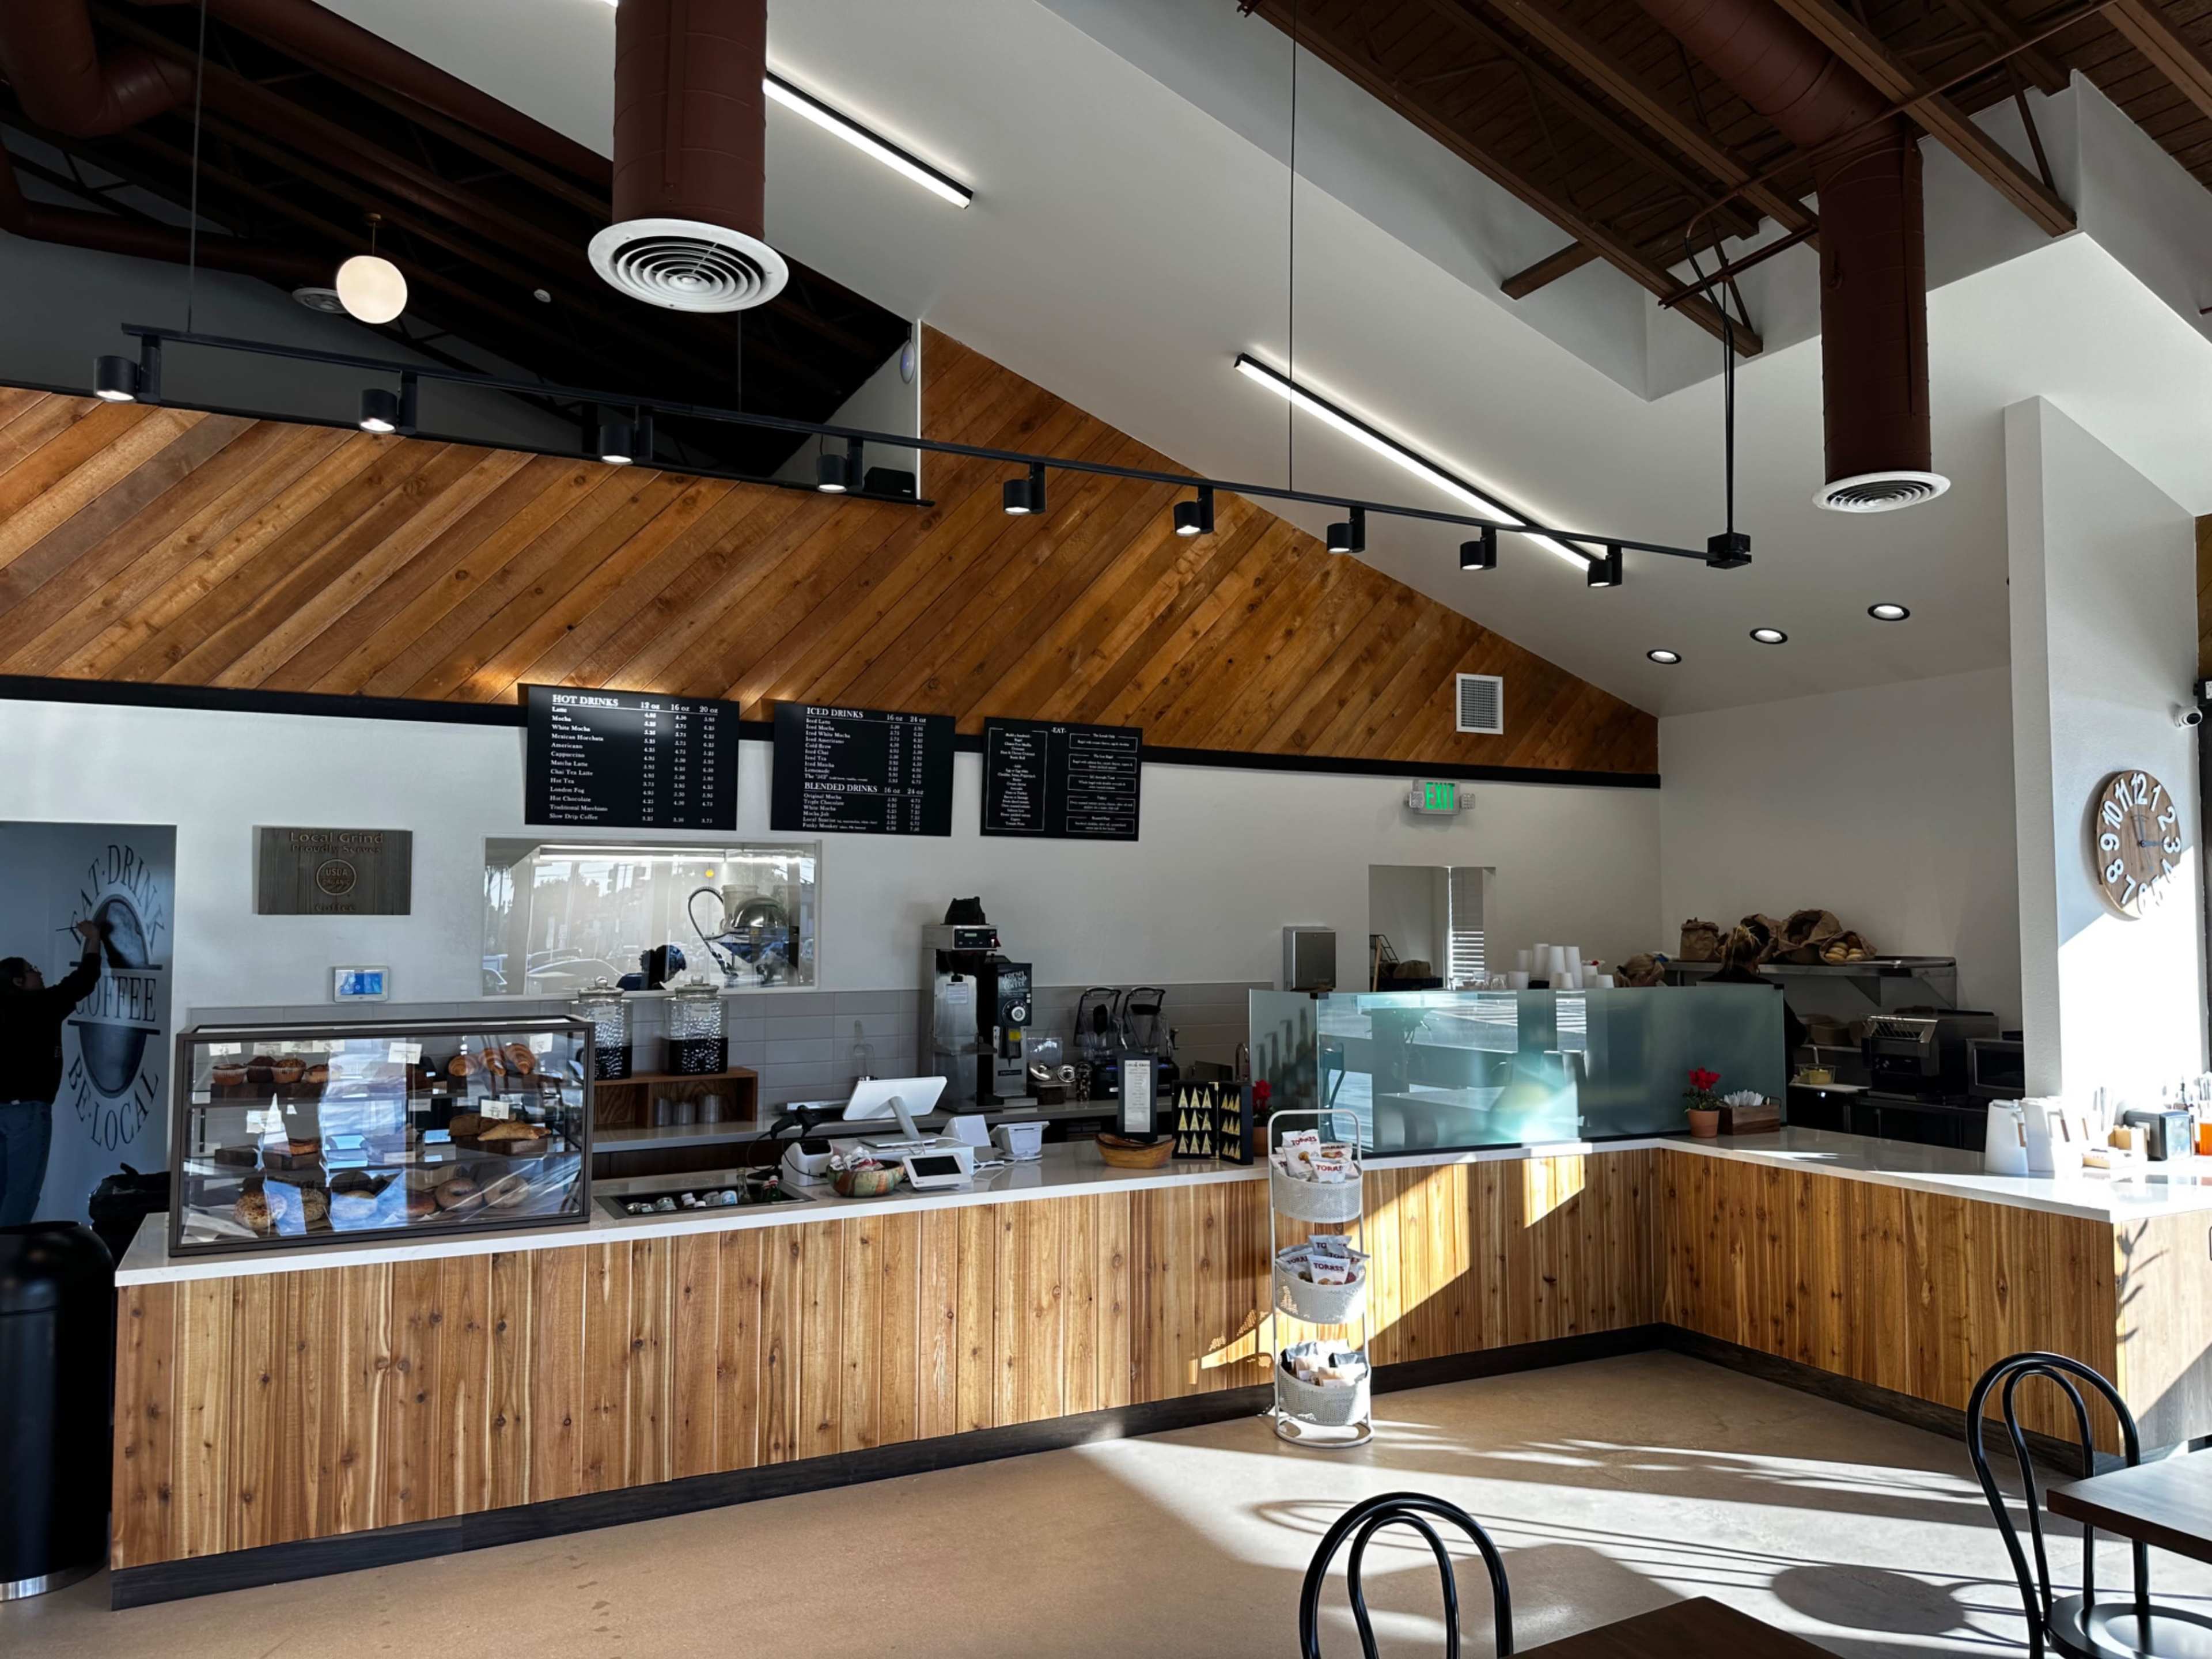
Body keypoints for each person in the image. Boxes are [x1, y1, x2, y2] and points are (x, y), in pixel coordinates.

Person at [0, 918, 107, 1225]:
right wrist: (94, 938)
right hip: (27, 1112)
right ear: (18, 981)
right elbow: (84, 980)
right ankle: (7, 1265)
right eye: (32, 970)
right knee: (21, 1194)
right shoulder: (40, 1006)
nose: (39, 972)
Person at [1702, 924, 1809, 1075]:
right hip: (1760, 1077)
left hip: (1716, 1077)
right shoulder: (1765, 991)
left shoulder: (1704, 988)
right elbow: (1797, 1035)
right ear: (1755, 960)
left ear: (1725, 957)